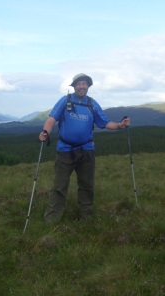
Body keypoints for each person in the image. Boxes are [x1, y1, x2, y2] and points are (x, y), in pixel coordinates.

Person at [39, 73, 130, 222]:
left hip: (86, 150)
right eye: (79, 83)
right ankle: (52, 219)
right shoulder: (65, 100)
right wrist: (45, 132)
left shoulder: (92, 104)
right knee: (59, 186)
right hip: (65, 150)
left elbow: (105, 123)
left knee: (87, 186)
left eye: (84, 84)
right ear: (74, 86)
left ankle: (86, 218)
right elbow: (51, 119)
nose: (82, 86)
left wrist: (120, 125)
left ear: (88, 86)